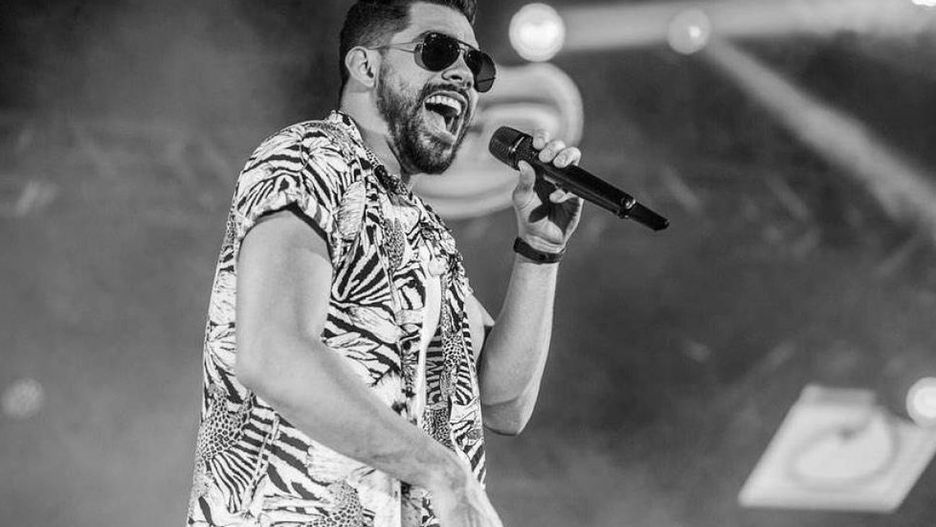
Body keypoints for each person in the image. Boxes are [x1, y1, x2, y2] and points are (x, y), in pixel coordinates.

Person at [186, 1, 583, 526]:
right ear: (365, 65)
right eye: (438, 51)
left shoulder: (426, 231)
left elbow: (504, 404)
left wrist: (539, 249)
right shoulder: (310, 157)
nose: (463, 74)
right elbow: (273, 353)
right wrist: (446, 475)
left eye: (477, 65)